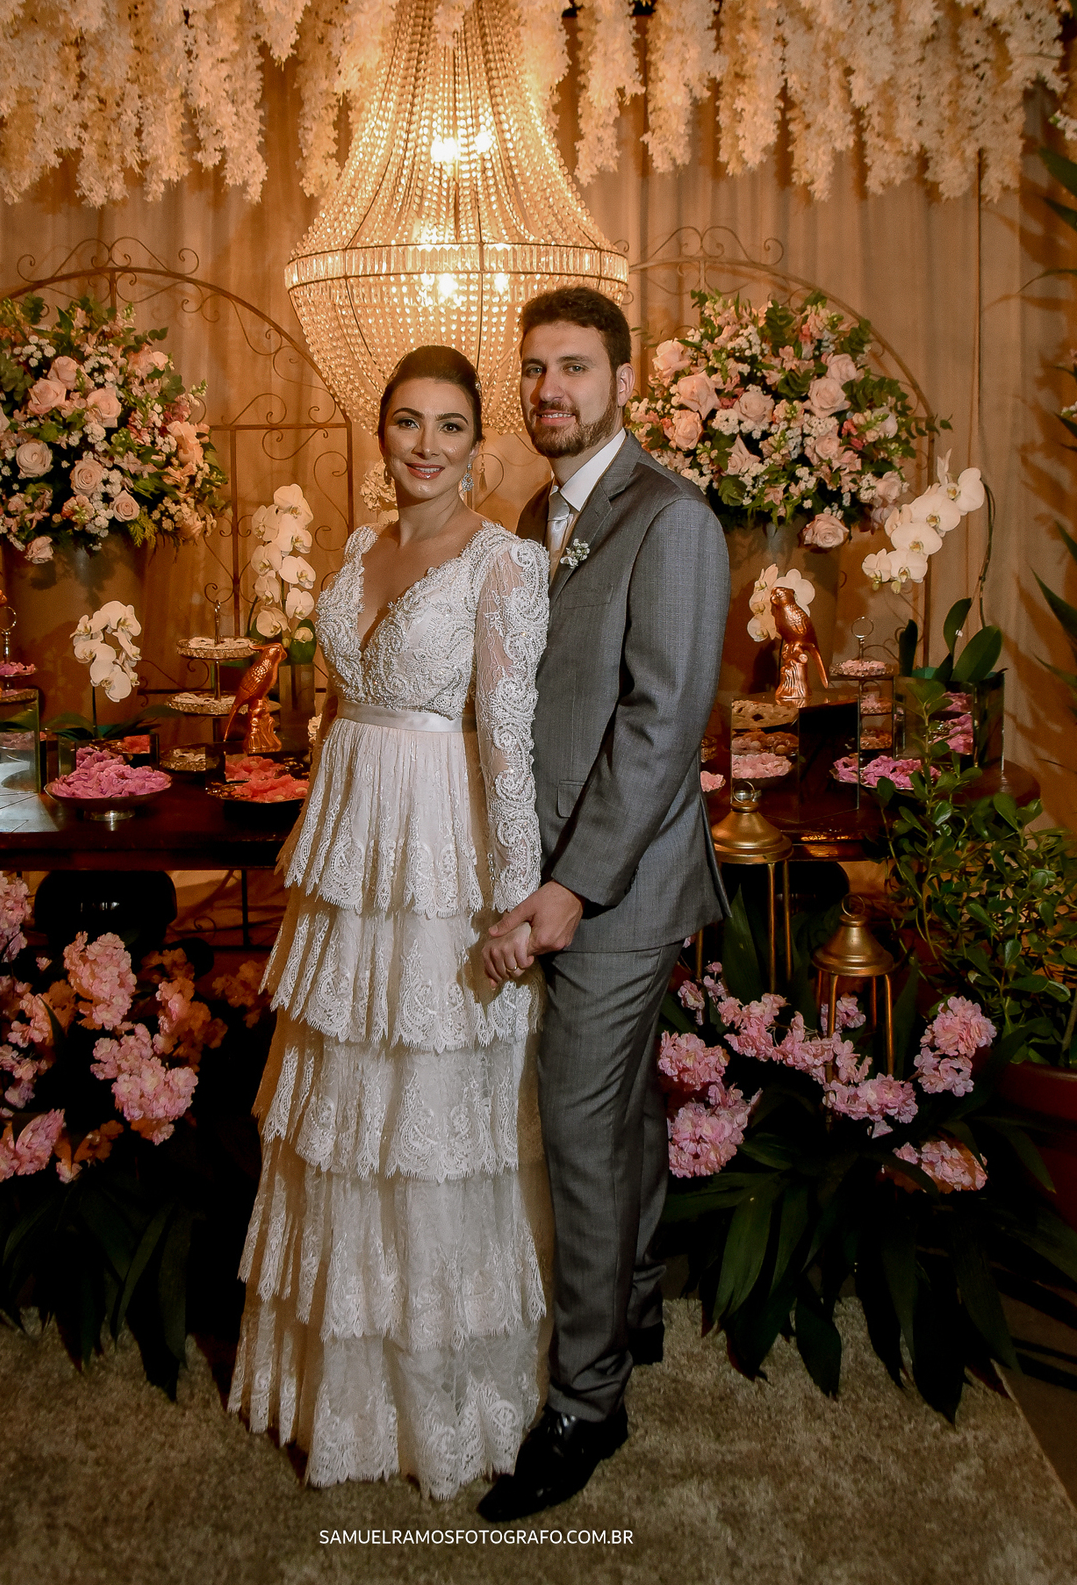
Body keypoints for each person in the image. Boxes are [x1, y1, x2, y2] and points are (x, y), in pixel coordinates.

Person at [229, 345, 553, 1500]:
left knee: (429, 1110)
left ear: (479, 445)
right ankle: (341, 1397)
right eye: (408, 422)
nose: (427, 445)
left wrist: (516, 899)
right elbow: (337, 704)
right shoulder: (362, 545)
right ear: (381, 434)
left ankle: (448, 1400)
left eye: (450, 426)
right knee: (345, 1105)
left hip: (440, 856)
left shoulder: (505, 562)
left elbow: (508, 741)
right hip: (352, 850)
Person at [478, 287, 730, 1521]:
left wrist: (574, 885)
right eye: (535, 369)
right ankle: (633, 1305)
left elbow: (661, 723)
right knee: (620, 1112)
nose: (550, 391)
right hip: (556, 867)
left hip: (617, 886)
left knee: (577, 1125)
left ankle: (587, 1402)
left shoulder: (672, 519)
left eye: (575, 367)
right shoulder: (540, 513)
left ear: (624, 380)